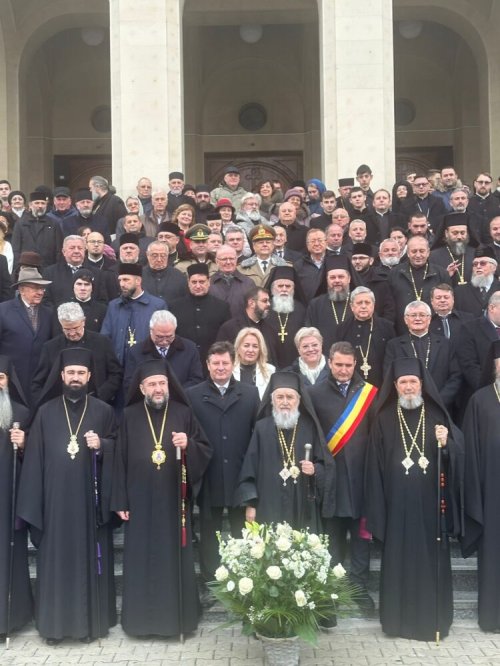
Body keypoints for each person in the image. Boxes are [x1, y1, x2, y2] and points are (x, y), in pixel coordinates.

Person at [17, 347, 118, 644]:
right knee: (56, 565)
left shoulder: (103, 411)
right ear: (62, 375)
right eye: (70, 373)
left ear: (90, 376)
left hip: (90, 505)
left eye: (81, 373)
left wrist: (102, 445)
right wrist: (36, 507)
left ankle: (89, 627)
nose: (75, 378)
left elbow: (117, 449)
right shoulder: (46, 412)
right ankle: (54, 628)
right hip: (55, 505)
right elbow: (33, 461)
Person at [365, 357, 464, 641]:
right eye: (403, 383)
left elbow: (455, 458)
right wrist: (378, 510)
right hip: (395, 507)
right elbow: (374, 467)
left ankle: (432, 620)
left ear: (422, 385)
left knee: (429, 562)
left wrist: (447, 445)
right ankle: (397, 623)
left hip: (430, 507)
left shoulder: (436, 416)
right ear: (395, 386)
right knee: (398, 562)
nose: (408, 387)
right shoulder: (383, 418)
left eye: (413, 382)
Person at [111, 359, 211, 637]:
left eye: (162, 383)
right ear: (142, 387)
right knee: (140, 559)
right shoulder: (129, 415)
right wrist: (120, 500)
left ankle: (176, 621)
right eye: (152, 384)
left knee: (173, 559)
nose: (158, 388)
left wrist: (188, 445)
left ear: (169, 385)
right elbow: (118, 459)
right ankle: (140, 624)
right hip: (138, 500)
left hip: (172, 501)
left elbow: (205, 449)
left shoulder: (183, 413)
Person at [308, 341, 378, 615]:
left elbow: (377, 436)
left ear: (356, 365)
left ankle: (360, 588)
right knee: (333, 538)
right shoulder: (313, 393)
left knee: (362, 538)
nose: (344, 370)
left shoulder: (369, 394)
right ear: (329, 362)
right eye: (339, 364)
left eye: (349, 365)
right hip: (332, 480)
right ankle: (333, 590)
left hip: (362, 479)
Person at [187, 341, 259, 584]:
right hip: (209, 474)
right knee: (210, 533)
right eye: (215, 363)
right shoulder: (193, 395)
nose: (220, 367)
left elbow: (255, 435)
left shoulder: (250, 393)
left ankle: (244, 580)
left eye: (225, 363)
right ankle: (212, 581)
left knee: (243, 530)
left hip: (241, 475)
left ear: (233, 364)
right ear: (207, 365)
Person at [234, 371, 334, 531]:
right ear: (272, 401)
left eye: (290, 397)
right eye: (280, 397)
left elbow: (325, 465)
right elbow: (249, 470)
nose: (285, 402)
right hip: (268, 503)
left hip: (302, 503)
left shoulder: (310, 427)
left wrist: (315, 469)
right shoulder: (261, 428)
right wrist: (251, 504)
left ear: (299, 401)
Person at [462, 340, 500, 632]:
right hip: (492, 493)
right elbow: (471, 452)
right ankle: (493, 617)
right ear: (495, 367)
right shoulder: (480, 400)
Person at [32, 302, 123, 408]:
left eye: (75, 328)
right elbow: (37, 383)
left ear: (83, 321)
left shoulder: (102, 342)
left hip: (96, 405)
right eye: (67, 329)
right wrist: (49, 406)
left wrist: (101, 396)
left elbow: (116, 374)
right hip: (60, 408)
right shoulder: (50, 347)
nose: (72, 333)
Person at [0, 357, 32, 637]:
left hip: (8, 502)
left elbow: (35, 462)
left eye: (0, 377)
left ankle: (11, 619)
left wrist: (23, 446)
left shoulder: (20, 413)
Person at [0, 267, 53, 407]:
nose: (40, 292)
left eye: (42, 288)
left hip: (39, 383)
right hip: (12, 382)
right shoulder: (3, 311)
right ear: (22, 289)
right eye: (35, 288)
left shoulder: (49, 313)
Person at [100, 262, 165, 366]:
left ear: (138, 281)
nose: (121, 284)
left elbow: (162, 339)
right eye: (120, 280)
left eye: (126, 280)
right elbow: (105, 337)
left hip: (146, 366)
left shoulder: (157, 306)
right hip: (118, 367)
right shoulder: (114, 306)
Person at [124, 310, 203, 393]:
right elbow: (129, 383)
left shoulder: (190, 348)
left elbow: (196, 380)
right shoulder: (136, 351)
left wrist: (176, 393)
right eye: (159, 337)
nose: (164, 341)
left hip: (181, 401)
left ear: (175, 330)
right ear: (151, 330)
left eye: (169, 336)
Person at [233, 327, 275, 398]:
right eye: (246, 346)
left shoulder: (270, 371)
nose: (250, 350)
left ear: (260, 350)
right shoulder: (229, 370)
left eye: (255, 346)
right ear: (238, 348)